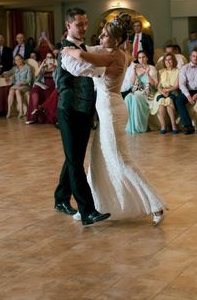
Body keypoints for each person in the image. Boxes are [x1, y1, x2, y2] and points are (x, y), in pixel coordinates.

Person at [61, 12, 166, 225]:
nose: (100, 37)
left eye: (105, 35)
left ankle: (156, 205)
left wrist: (67, 49)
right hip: (109, 109)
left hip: (111, 110)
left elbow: (82, 56)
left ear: (116, 40)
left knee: (121, 159)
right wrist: (75, 47)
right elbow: (90, 50)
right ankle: (91, 206)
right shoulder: (116, 51)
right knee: (98, 157)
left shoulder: (112, 56)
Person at [53, 7, 111, 226]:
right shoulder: (66, 51)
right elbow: (80, 69)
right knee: (75, 161)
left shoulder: (83, 48)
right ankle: (87, 211)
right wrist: (106, 67)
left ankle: (60, 198)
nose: (84, 27)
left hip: (84, 110)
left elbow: (100, 50)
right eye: (79, 24)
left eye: (86, 23)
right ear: (68, 25)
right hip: (68, 111)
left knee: (74, 157)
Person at [174, 49, 197, 135]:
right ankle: (188, 126)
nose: (195, 58)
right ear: (190, 57)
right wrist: (188, 96)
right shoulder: (184, 68)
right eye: (193, 56)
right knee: (179, 101)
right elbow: (181, 84)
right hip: (188, 91)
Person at [124, 51, 158, 134]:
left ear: (147, 58)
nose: (141, 59)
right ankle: (131, 126)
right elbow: (132, 83)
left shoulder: (152, 68)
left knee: (136, 97)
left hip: (148, 92)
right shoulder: (136, 68)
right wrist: (134, 72)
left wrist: (147, 74)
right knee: (128, 97)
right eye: (139, 58)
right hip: (137, 91)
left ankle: (140, 127)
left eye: (143, 57)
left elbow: (154, 84)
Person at [26, 51, 57, 124]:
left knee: (51, 93)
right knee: (34, 89)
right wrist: (42, 65)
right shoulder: (44, 68)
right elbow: (36, 75)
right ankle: (35, 109)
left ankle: (39, 109)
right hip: (43, 86)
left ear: (53, 59)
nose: (49, 59)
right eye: (47, 57)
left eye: (50, 57)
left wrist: (56, 65)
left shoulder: (56, 68)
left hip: (53, 87)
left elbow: (58, 78)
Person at [155, 53, 180, 134]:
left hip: (173, 91)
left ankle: (173, 125)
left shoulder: (178, 71)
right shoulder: (161, 71)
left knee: (169, 100)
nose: (168, 61)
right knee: (161, 101)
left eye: (170, 59)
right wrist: (162, 91)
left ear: (173, 61)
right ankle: (163, 126)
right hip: (162, 91)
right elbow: (158, 86)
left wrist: (168, 90)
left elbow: (176, 85)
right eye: (166, 60)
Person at [3, 54, 34, 119]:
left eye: (19, 59)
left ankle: (21, 112)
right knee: (11, 90)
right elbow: (7, 73)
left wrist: (23, 83)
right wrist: (6, 76)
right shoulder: (14, 68)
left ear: (22, 59)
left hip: (25, 85)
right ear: (14, 61)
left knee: (17, 91)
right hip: (16, 85)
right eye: (16, 60)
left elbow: (29, 80)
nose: (18, 61)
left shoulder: (27, 68)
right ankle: (9, 111)